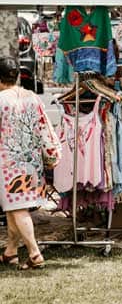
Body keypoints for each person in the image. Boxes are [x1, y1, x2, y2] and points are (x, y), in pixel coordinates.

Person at [0, 55, 61, 270]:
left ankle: (35, 254)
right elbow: (44, 127)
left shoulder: (1, 100)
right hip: (32, 162)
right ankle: (11, 251)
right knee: (14, 208)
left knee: (17, 209)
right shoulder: (32, 97)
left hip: (9, 165)